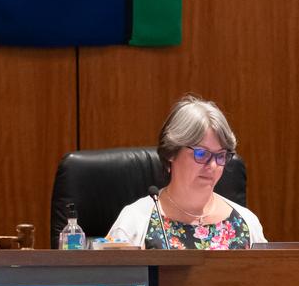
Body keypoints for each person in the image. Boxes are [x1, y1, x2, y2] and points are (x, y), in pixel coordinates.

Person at [108, 95, 266, 249]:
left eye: (220, 156)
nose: (212, 165)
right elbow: (107, 275)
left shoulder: (247, 222)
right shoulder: (134, 221)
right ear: (171, 152)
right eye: (201, 154)